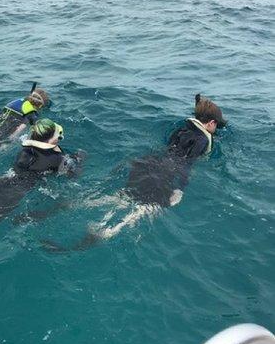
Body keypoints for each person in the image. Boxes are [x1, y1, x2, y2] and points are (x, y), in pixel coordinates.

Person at [44, 94, 227, 250]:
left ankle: (78, 204)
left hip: (148, 163)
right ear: (211, 123)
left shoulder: (182, 128)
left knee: (126, 197)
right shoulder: (203, 139)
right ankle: (107, 232)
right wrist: (180, 188)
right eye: (216, 126)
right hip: (166, 173)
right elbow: (186, 164)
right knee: (146, 208)